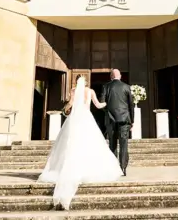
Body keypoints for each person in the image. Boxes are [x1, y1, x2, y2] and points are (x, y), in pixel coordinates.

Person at [38, 75, 123, 210]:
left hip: (74, 120)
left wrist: (64, 109)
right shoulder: (90, 92)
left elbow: (70, 104)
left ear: (75, 81)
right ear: (86, 82)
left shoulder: (73, 91)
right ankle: (87, 168)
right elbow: (98, 105)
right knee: (89, 144)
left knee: (70, 144)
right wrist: (109, 103)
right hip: (86, 119)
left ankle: (66, 168)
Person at [101, 69, 134, 175]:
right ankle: (123, 167)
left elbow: (102, 103)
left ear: (111, 76)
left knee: (112, 143)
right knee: (124, 143)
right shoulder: (126, 87)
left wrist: (109, 112)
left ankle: (113, 167)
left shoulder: (106, 86)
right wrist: (132, 121)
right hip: (124, 119)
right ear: (120, 76)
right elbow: (130, 105)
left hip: (111, 120)